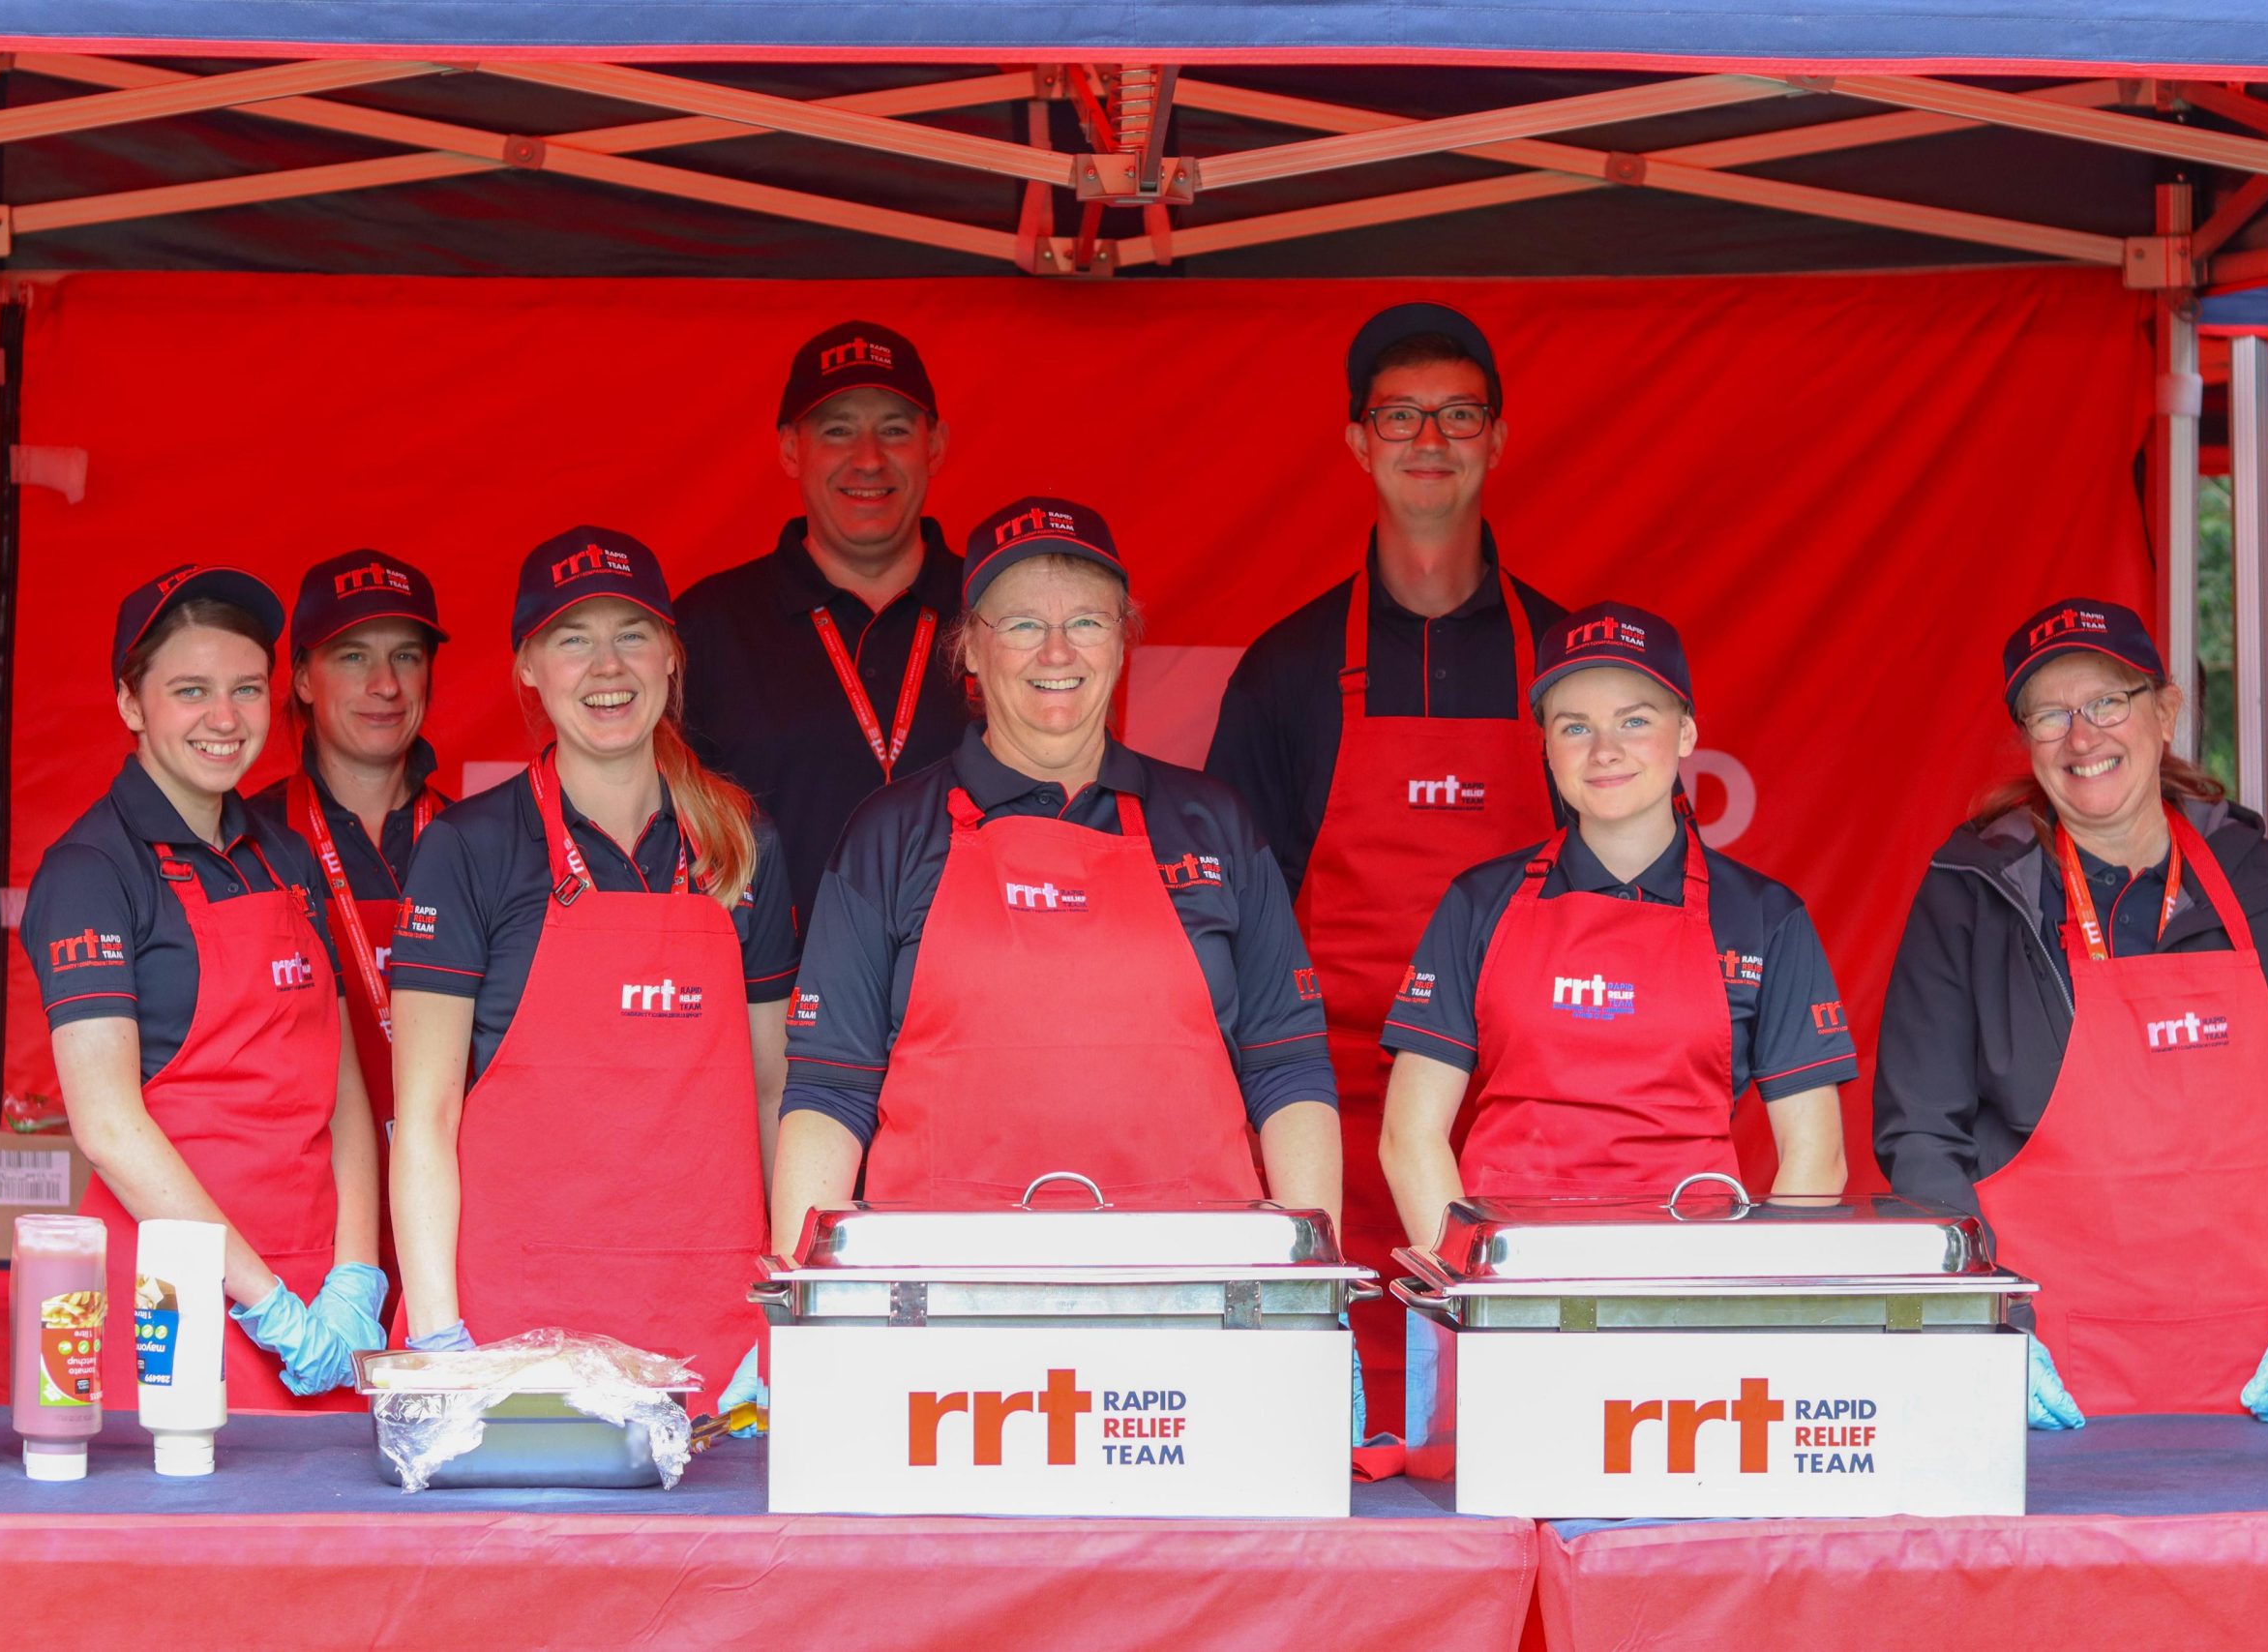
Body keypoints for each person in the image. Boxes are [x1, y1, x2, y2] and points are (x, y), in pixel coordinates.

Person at [776, 496, 1343, 1244]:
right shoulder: (887, 836)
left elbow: (1288, 1071)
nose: (1056, 652)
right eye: (1021, 624)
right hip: (942, 1283)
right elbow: (829, 1092)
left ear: (1122, 640)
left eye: (1086, 622)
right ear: (970, 648)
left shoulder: (1216, 826)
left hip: (1191, 1282)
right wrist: (802, 1292)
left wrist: (1313, 1278)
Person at [1876, 597, 2268, 1427]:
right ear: (2027, 738)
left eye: (2108, 702)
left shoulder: (2266, 886)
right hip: (2043, 1382)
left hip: (2256, 1381)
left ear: (2165, 711)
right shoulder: (1972, 895)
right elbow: (1922, 1137)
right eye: (2051, 714)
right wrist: (1982, 1322)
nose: (2083, 737)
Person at [1204, 302, 1566, 1433]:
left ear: (1497, 437)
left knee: (1523, 1420)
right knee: (1338, 1426)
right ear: (1358, 441)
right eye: (1401, 415)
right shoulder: (1288, 668)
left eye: (1458, 414)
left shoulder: (1565, 665)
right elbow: (1228, 918)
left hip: (1524, 1118)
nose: (1430, 439)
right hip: (1332, 1116)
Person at [387, 527, 798, 1393]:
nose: (608, 667)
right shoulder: (468, 847)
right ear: (528, 667)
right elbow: (424, 1115)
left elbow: (775, 1093)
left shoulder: (742, 839)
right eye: (573, 639)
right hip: (512, 1330)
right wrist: (438, 1337)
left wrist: (791, 1309)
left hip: (709, 1327)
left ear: (671, 656)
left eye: (632, 634)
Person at [23, 565, 384, 1409]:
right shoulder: (91, 872)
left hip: (320, 1310)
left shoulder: (285, 856)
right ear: (130, 702)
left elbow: (343, 1091)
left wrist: (356, 1272)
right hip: (174, 1302)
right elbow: (108, 1127)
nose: (225, 718)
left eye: (246, 689)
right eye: (191, 690)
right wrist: (266, 1303)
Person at [1379, 602, 1851, 1245]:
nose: (1605, 751)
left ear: (1686, 733)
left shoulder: (1765, 918)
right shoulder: (1478, 902)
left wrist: (1738, 1289)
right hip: (1510, 1278)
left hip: (1692, 1277)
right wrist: (1474, 1277)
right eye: (1575, 727)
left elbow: (1816, 1157)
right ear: (1546, 748)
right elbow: (1409, 1135)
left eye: (1635, 720)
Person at [676, 320, 967, 939]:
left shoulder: (1001, 614)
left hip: (973, 989)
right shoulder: (707, 623)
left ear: (936, 445)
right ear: (790, 450)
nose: (869, 458)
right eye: (838, 431)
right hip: (772, 992)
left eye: (894, 430)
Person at [247, 550, 451, 1298]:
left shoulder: (483, 845)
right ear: (303, 678)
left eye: (407, 655)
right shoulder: (250, 845)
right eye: (354, 656)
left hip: (456, 1216)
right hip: (304, 1224)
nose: (385, 684)